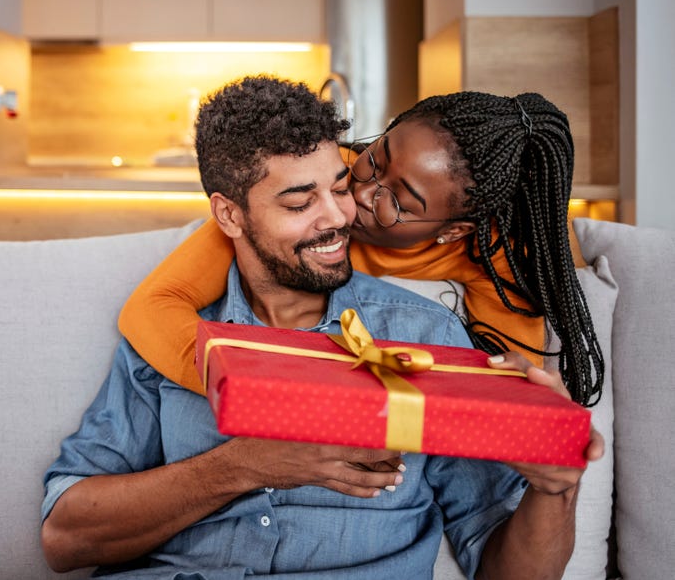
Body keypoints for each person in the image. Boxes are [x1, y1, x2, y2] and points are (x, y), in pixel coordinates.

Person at [41, 76, 602, 578]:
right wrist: (243, 462)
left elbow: (501, 556)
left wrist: (556, 483)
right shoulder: (172, 335)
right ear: (230, 215)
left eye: (338, 186)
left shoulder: (431, 335)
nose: (344, 212)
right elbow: (65, 537)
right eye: (299, 202)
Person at [118, 89, 605, 407]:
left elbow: (503, 390)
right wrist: (258, 390)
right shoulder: (324, 180)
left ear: (453, 232)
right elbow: (152, 308)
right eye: (376, 159)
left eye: (398, 202)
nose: (358, 197)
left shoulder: (491, 255)